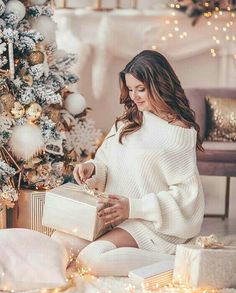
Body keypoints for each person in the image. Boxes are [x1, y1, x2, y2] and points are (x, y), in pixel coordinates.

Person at [52, 50, 205, 276]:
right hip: (113, 216)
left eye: (140, 89)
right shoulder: (129, 121)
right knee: (59, 241)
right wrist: (93, 168)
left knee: (92, 260)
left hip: (150, 224)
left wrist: (133, 208)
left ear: (160, 84)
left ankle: (181, 263)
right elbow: (106, 162)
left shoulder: (179, 132)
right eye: (130, 89)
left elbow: (186, 197)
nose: (134, 96)